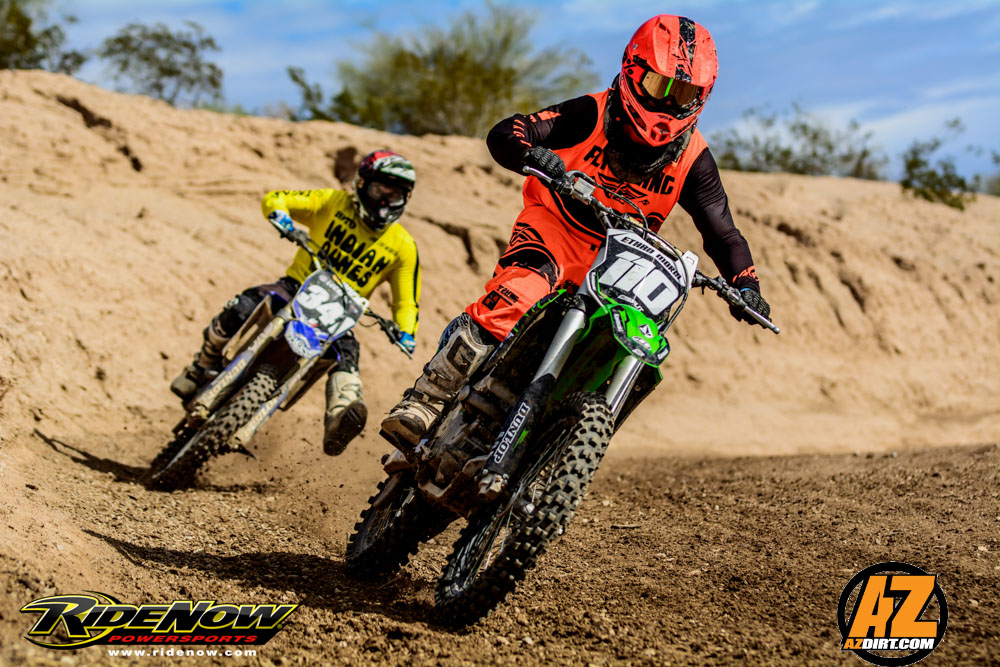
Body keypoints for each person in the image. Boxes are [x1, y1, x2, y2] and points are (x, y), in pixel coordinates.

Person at [381, 15, 770, 448]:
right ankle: (427, 399)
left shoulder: (694, 159)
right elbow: (508, 131)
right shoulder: (593, 113)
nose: (668, 104)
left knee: (634, 342)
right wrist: (532, 154)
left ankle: (560, 446)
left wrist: (747, 285)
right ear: (633, 70)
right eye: (660, 86)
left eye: (684, 94)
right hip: (553, 229)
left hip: (620, 260)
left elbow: (723, 232)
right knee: (518, 297)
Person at [171, 150, 421, 455]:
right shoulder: (332, 202)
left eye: (395, 194)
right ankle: (201, 366)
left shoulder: (403, 247)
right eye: (381, 189)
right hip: (296, 286)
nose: (385, 200)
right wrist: (281, 217)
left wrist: (405, 331)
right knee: (242, 306)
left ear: (405, 198)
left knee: (347, 356)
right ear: (362, 183)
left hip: (340, 315)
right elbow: (277, 198)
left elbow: (406, 301)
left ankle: (340, 418)